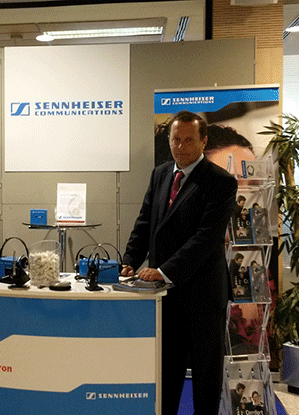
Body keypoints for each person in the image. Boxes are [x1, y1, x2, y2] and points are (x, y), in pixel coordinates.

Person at [122, 110, 238, 413]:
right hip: (166, 297)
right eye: (176, 139)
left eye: (188, 140)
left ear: (203, 141)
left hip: (203, 296)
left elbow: (206, 239)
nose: (181, 146)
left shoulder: (221, 182)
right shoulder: (160, 174)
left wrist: (163, 271)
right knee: (167, 373)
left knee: (205, 378)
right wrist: (130, 260)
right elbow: (145, 222)